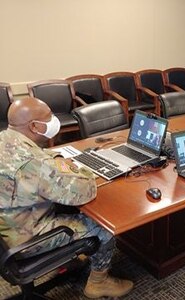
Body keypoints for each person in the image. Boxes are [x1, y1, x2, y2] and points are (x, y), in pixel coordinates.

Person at [0, 97, 133, 299]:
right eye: (49, 117)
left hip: (7, 228)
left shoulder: (6, 139)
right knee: (104, 226)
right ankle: (99, 282)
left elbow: (40, 164)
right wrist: (81, 169)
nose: (54, 120)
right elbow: (84, 191)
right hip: (24, 240)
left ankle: (68, 258)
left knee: (67, 208)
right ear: (35, 126)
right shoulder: (32, 164)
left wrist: (56, 164)